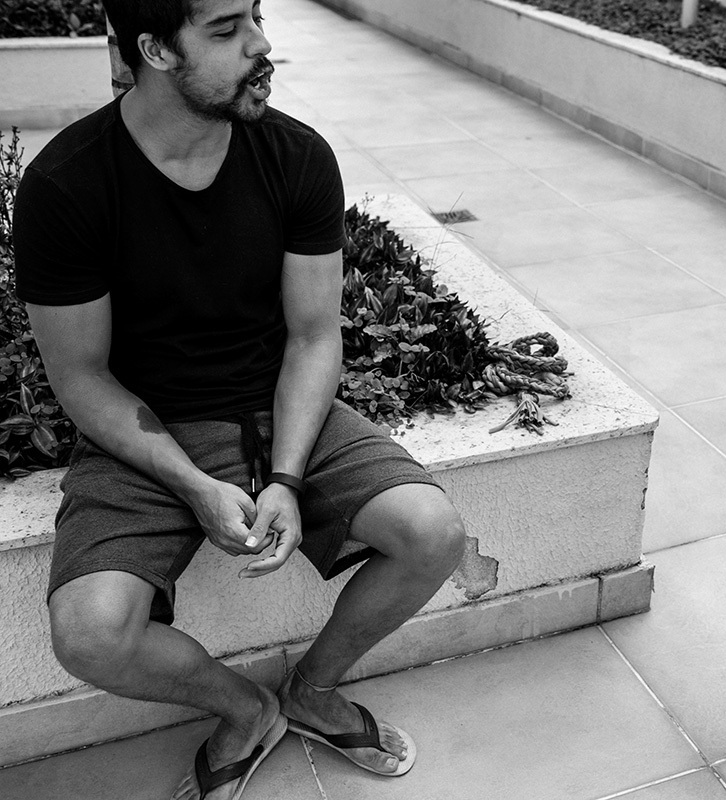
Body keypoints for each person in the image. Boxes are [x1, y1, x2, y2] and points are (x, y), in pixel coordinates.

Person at [12, 1, 466, 797]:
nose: (261, 45)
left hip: (280, 405)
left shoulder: (296, 156)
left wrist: (285, 478)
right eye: (225, 31)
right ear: (154, 48)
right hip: (147, 428)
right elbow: (82, 378)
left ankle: (313, 692)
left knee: (432, 534)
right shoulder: (67, 185)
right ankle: (247, 710)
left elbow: (315, 336)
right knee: (89, 634)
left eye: (255, 15)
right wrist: (193, 484)